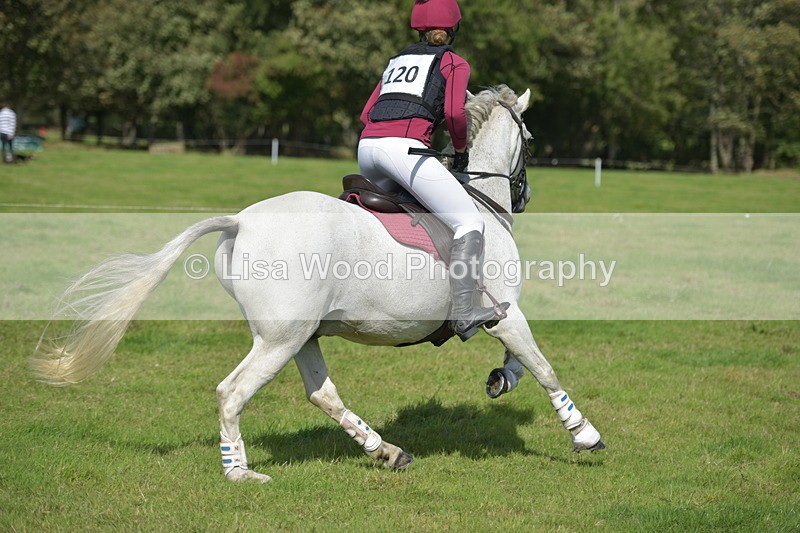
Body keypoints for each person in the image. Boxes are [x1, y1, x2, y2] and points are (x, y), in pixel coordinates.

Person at [358, 0, 508, 341]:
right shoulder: (454, 63)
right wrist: (459, 150)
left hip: (367, 149)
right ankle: (464, 311)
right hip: (404, 150)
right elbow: (455, 115)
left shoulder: (397, 62)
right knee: (469, 221)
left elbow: (367, 113)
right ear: (454, 29)